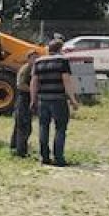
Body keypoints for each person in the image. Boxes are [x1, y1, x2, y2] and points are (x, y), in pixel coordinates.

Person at [30, 36, 79, 166]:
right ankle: (59, 158)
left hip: (42, 100)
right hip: (58, 99)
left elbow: (34, 82)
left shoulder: (38, 62)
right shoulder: (62, 61)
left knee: (43, 127)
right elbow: (66, 81)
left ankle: (44, 157)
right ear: (60, 49)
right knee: (60, 128)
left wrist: (33, 99)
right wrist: (73, 100)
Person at [10, 50, 38, 157]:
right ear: (28, 58)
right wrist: (34, 91)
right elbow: (20, 85)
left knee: (21, 125)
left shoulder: (33, 68)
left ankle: (15, 147)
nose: (36, 60)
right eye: (34, 58)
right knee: (24, 126)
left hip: (27, 98)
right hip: (23, 99)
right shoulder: (26, 69)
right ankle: (21, 151)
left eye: (37, 57)